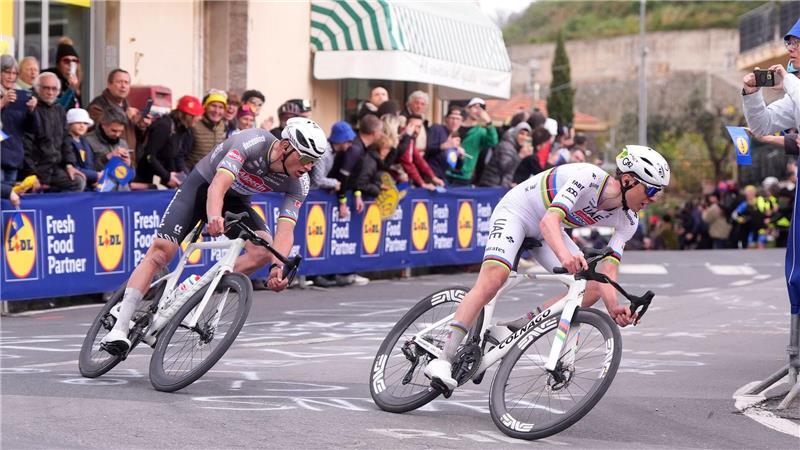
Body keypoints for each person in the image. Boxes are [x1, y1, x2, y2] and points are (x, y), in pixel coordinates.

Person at [424, 145, 671, 390]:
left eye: (658, 194)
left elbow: (608, 267)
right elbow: (549, 220)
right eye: (651, 190)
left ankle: (512, 328)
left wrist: (614, 306)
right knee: (493, 279)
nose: (652, 199)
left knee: (591, 286)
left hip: (547, 233)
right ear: (628, 180)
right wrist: (565, 257)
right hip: (518, 213)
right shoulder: (589, 177)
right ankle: (443, 359)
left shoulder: (629, 219)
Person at [100, 118, 329, 354]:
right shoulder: (252, 142)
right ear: (284, 146)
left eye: (314, 162)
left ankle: (193, 290)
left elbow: (286, 229)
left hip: (235, 201)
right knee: (161, 253)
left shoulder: (300, 182)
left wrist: (277, 268)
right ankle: (120, 326)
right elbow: (217, 186)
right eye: (305, 158)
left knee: (262, 251)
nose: (308, 166)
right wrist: (213, 216)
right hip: (201, 188)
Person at [23, 72, 85, 192]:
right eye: (46, 88)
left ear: (58, 91)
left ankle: (65, 211)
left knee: (78, 181)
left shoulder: (60, 110)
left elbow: (66, 140)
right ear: (37, 88)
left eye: (54, 89)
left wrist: (69, 164)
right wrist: (31, 173)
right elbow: (26, 145)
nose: (50, 92)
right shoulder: (30, 108)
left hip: (56, 168)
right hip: (35, 169)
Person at [135, 95, 203, 188]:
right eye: (197, 115)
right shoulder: (164, 126)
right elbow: (150, 156)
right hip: (144, 177)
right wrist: (167, 176)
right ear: (187, 116)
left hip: (161, 177)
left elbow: (174, 156)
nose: (200, 118)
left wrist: (181, 177)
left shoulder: (183, 130)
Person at [87, 68, 151, 154]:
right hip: (106, 159)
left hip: (128, 160)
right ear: (109, 84)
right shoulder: (98, 105)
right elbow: (97, 129)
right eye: (119, 82)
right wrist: (124, 115)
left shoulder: (127, 106)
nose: (123, 86)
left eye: (126, 83)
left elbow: (137, 139)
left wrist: (141, 125)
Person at [1, 55, 37, 187]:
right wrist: (2, 102)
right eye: (7, 72)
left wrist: (32, 111)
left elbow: (32, 129)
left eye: (14, 73)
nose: (11, 77)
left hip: (13, 155)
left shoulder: (21, 94)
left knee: (10, 200)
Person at [446, 97, 498, 186]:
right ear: (467, 108)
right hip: (445, 172)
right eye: (476, 107)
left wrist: (489, 122)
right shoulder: (455, 125)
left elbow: (493, 142)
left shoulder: (480, 131)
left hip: (463, 176)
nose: (479, 111)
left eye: (482, 109)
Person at [478, 121, 532, 188]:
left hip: (498, 185)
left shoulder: (515, 146)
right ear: (516, 133)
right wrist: (520, 156)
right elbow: (505, 168)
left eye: (527, 135)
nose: (524, 137)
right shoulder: (507, 146)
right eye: (521, 134)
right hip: (492, 186)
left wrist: (509, 184)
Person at [187, 89, 228, 169]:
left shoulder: (223, 126)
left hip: (212, 177)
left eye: (221, 107)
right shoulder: (194, 125)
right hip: (192, 175)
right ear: (205, 107)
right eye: (213, 106)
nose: (217, 111)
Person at [42, 37, 82, 109]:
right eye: (66, 61)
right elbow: (56, 108)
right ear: (59, 63)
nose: (70, 65)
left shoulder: (76, 80)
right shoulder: (51, 78)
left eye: (74, 61)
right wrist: (70, 88)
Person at [65, 108, 99, 189]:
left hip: (89, 184)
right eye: (78, 122)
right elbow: (74, 167)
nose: (82, 125)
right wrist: (96, 175)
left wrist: (95, 179)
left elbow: (90, 163)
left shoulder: (84, 142)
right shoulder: (66, 142)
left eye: (85, 123)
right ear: (69, 124)